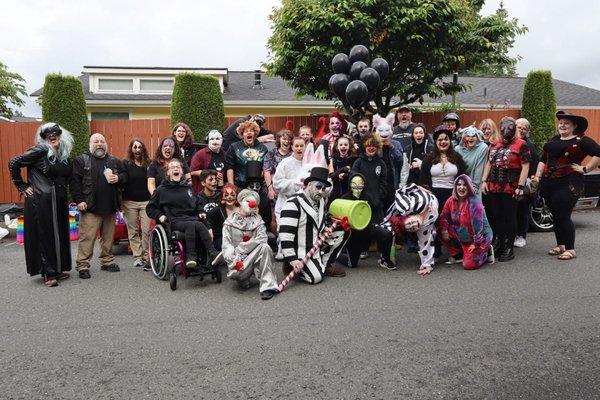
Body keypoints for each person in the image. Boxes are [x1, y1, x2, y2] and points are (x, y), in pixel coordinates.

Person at [8, 123, 73, 287]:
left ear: (60, 135)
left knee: (58, 233)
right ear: (43, 138)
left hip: (57, 200)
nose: (52, 136)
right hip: (40, 200)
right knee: (44, 234)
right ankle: (48, 272)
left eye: (55, 133)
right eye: (47, 135)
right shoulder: (39, 150)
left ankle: (57, 269)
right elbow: (13, 162)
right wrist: (21, 186)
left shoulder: (63, 155)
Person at [532, 111, 600, 261]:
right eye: (560, 122)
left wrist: (585, 169)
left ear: (574, 126)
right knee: (555, 215)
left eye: (566, 123)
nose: (562, 125)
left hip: (569, 183)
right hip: (549, 183)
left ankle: (570, 249)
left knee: (563, 215)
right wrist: (537, 176)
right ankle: (561, 245)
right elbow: (543, 160)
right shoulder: (554, 140)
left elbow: (598, 153)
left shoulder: (581, 140)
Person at [279, 167, 349, 284]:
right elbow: (285, 235)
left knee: (343, 231)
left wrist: (324, 228)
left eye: (323, 188)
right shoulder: (293, 203)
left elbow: (317, 221)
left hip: (315, 243)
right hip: (300, 250)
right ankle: (289, 265)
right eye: (318, 187)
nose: (321, 191)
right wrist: (292, 259)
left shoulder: (320, 200)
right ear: (309, 185)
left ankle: (325, 264)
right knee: (316, 278)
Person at [146, 159, 219, 269]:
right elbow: (150, 208)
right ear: (168, 172)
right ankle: (191, 257)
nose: (176, 168)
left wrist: (200, 211)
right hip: (174, 220)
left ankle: (213, 253)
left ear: (181, 171)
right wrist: (160, 215)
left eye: (178, 167)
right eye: (172, 167)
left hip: (191, 218)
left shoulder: (187, 187)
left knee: (199, 224)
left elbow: (198, 202)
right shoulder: (161, 190)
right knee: (191, 225)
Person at [71, 133, 126, 279]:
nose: (100, 144)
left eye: (102, 141)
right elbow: (75, 182)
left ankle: (107, 261)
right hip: (90, 207)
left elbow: (125, 176)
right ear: (90, 144)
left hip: (110, 206)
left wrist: (118, 178)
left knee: (108, 238)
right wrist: (79, 200)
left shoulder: (114, 161)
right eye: (96, 141)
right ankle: (82, 265)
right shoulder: (81, 160)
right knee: (87, 237)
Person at [481, 117, 531, 262]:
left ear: (514, 128)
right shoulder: (494, 144)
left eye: (510, 127)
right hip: (494, 186)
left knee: (509, 217)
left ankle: (508, 247)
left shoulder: (521, 144)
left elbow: (525, 166)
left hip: (511, 187)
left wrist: (521, 187)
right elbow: (489, 163)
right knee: (495, 216)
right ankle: (499, 243)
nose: (506, 130)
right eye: (503, 127)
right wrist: (484, 180)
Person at [419, 125, 467, 257]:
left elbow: (463, 177)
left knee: (454, 223)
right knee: (434, 223)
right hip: (433, 195)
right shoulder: (429, 159)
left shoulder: (457, 157)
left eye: (446, 139)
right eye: (440, 140)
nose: (443, 142)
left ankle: (457, 250)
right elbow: (423, 180)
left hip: (453, 195)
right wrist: (429, 196)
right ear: (435, 142)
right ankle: (436, 249)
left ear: (450, 141)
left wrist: (459, 194)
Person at [222, 189, 279, 300]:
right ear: (240, 201)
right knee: (243, 283)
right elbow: (227, 245)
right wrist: (234, 260)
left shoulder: (258, 221)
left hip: (255, 256)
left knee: (265, 247)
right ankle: (244, 279)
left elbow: (262, 239)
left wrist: (242, 247)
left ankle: (268, 286)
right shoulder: (229, 223)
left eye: (253, 202)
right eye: (247, 201)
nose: (251, 204)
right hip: (239, 264)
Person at [381, 183, 439, 276]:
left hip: (412, 200)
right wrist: (427, 266)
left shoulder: (408, 206)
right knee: (386, 226)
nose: (414, 225)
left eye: (411, 223)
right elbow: (426, 243)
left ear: (409, 216)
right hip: (428, 205)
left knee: (387, 221)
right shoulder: (424, 224)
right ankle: (387, 254)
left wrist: (417, 187)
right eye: (412, 228)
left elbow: (400, 191)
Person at [340, 173, 395, 270]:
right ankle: (338, 256)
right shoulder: (345, 198)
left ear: (364, 185)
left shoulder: (367, 197)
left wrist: (377, 225)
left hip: (367, 227)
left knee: (386, 234)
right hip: (352, 234)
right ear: (349, 184)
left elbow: (376, 212)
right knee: (352, 264)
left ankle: (385, 259)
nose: (357, 187)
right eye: (354, 184)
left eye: (360, 184)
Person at [438, 175, 493, 269]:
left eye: (465, 185)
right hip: (462, 233)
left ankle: (487, 253)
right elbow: (443, 217)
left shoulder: (475, 203)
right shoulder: (451, 200)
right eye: (459, 185)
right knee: (440, 229)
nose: (461, 187)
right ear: (455, 186)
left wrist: (476, 244)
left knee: (469, 265)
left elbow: (478, 227)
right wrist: (444, 230)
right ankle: (459, 253)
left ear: (469, 187)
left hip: (480, 237)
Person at [121, 138, 152, 270]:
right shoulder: (125, 163)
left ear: (143, 149)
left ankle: (147, 256)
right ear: (131, 149)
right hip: (129, 202)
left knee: (146, 230)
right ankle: (138, 256)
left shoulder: (149, 163)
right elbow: (122, 178)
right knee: (133, 231)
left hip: (146, 201)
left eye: (140, 147)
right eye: (135, 147)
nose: (137, 150)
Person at [513, 118, 540, 248]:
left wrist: (532, 183)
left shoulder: (529, 145)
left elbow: (534, 166)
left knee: (523, 210)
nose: (522, 130)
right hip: (510, 182)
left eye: (524, 128)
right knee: (511, 211)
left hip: (524, 183)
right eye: (519, 127)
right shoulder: (509, 142)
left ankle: (521, 236)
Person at [351, 133, 388, 224]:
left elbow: (384, 183)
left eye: (374, 146)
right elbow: (353, 179)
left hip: (377, 205)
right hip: (361, 204)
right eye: (368, 145)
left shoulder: (381, 163)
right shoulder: (358, 162)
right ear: (364, 147)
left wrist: (378, 198)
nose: (371, 148)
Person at [225, 120, 269, 189]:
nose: (249, 133)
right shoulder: (234, 147)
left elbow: (266, 169)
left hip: (258, 187)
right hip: (239, 186)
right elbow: (230, 168)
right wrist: (232, 187)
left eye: (251, 131)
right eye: (246, 131)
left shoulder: (263, 148)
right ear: (242, 134)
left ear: (255, 133)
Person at [273, 136, 306, 225]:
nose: (299, 148)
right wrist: (295, 183)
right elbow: (277, 183)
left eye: (301, 146)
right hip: (285, 204)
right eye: (296, 146)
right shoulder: (285, 163)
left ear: (305, 147)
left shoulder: (308, 163)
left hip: (303, 206)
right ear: (292, 147)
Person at [190, 130, 226, 195]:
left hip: (221, 192)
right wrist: (212, 174)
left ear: (222, 140)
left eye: (217, 139)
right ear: (208, 140)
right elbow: (192, 172)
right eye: (212, 139)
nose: (215, 141)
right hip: (204, 193)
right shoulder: (200, 154)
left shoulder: (225, 154)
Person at [454, 126, 488, 195]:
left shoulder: (483, 148)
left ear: (478, 137)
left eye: (473, 136)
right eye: (468, 136)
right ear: (464, 138)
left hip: (475, 187)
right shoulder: (457, 149)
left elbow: (479, 168)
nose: (470, 138)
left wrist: (474, 186)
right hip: (460, 186)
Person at [206, 184, 239, 251]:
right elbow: (207, 219)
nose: (229, 197)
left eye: (232, 195)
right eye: (226, 195)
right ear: (222, 198)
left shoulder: (242, 209)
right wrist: (209, 229)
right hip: (223, 239)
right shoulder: (217, 210)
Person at [264, 129, 293, 202]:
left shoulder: (293, 154)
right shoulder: (272, 153)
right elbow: (266, 171)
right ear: (279, 140)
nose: (287, 141)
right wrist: (270, 189)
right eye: (284, 139)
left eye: (289, 139)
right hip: (274, 188)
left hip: (290, 189)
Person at [328, 135, 357, 202]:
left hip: (349, 195)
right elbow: (331, 176)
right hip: (336, 194)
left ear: (349, 147)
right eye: (341, 145)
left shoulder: (353, 159)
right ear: (337, 147)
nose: (343, 146)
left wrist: (346, 175)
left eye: (345, 145)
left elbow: (356, 175)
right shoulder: (333, 159)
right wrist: (341, 171)